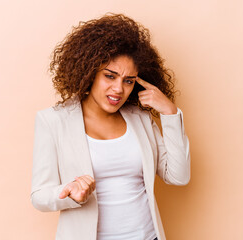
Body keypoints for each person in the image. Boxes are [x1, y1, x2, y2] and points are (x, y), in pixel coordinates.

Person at [30, 13, 191, 240]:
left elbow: (178, 176)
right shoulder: (54, 121)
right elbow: (39, 195)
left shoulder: (140, 118)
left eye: (128, 80)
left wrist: (170, 113)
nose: (118, 89)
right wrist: (68, 193)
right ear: (89, 72)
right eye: (110, 76)